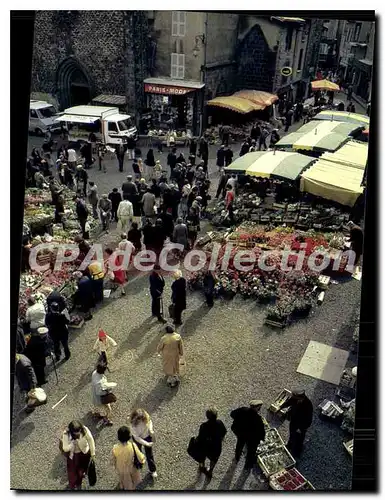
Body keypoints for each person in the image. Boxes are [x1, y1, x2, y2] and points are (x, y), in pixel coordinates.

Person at [230, 400, 266, 468]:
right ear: (256, 407)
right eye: (259, 407)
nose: (259, 408)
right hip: (250, 438)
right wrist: (262, 438)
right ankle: (247, 465)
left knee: (239, 445)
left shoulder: (243, 409)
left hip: (240, 433)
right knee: (251, 451)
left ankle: (237, 457)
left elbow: (232, 414)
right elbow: (261, 431)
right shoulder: (257, 418)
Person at [61, 420, 96, 490]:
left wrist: (93, 454)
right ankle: (73, 484)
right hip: (74, 456)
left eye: (79, 431)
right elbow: (65, 448)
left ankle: (79, 481)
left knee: (82, 469)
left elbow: (90, 440)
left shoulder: (85, 429)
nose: (78, 433)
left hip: (84, 454)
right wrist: (72, 444)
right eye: (76, 432)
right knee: (73, 472)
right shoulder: (66, 434)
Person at [280, 389, 313, 456]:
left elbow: (308, 419)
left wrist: (302, 428)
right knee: (292, 433)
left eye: (296, 398)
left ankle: (297, 451)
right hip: (294, 421)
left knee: (299, 438)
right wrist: (281, 407)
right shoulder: (294, 398)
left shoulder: (308, 405)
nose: (294, 398)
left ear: (301, 398)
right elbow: (288, 402)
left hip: (301, 425)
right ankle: (290, 444)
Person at [112, 426, 145, 490]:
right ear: (129, 436)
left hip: (120, 467)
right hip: (131, 467)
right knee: (131, 480)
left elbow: (113, 459)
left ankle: (122, 485)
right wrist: (142, 459)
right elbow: (139, 456)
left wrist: (114, 465)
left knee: (123, 478)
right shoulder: (133, 446)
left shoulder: (115, 448)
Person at [197, 407, 227, 477]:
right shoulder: (219, 423)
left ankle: (202, 467)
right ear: (216, 415)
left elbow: (200, 437)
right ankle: (210, 471)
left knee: (202, 457)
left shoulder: (203, 426)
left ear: (207, 416)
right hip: (216, 447)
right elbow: (224, 432)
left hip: (205, 446)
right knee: (214, 459)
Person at [128, 409, 157, 478]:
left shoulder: (145, 417)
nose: (141, 421)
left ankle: (152, 470)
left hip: (147, 436)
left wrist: (150, 429)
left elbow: (150, 422)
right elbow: (137, 438)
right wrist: (146, 443)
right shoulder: (132, 426)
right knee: (137, 453)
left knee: (149, 455)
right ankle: (137, 465)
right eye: (139, 420)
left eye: (142, 419)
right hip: (138, 439)